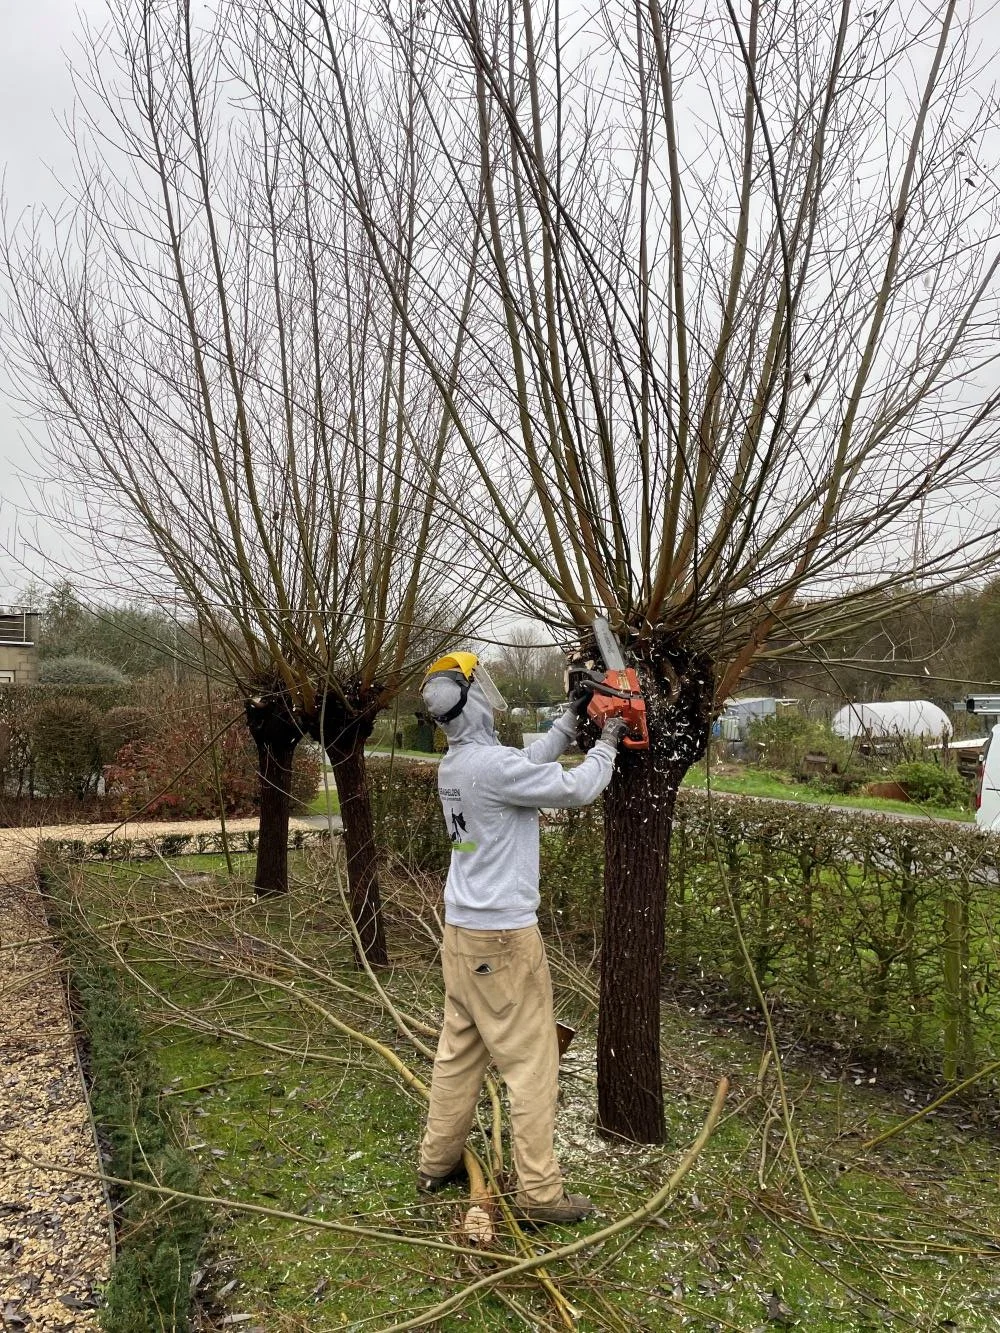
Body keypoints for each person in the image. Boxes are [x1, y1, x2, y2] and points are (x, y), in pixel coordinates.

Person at [416, 650, 626, 1223]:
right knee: (532, 1066)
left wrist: (569, 718)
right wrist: (607, 740)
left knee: (458, 1054)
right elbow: (578, 789)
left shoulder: (459, 766)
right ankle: (539, 1194)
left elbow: (523, 763)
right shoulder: (491, 769)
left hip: (461, 934)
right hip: (503, 942)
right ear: (474, 703)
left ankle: (436, 1162)